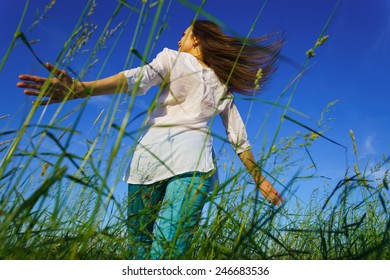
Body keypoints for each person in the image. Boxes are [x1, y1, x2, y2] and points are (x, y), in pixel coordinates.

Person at [17, 19, 284, 259]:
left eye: (184, 34)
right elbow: (238, 137)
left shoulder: (173, 59)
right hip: (191, 166)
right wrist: (258, 178)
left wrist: (82, 89)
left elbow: (137, 78)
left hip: (150, 162)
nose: (179, 40)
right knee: (168, 250)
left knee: (140, 247)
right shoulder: (220, 83)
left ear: (196, 39)